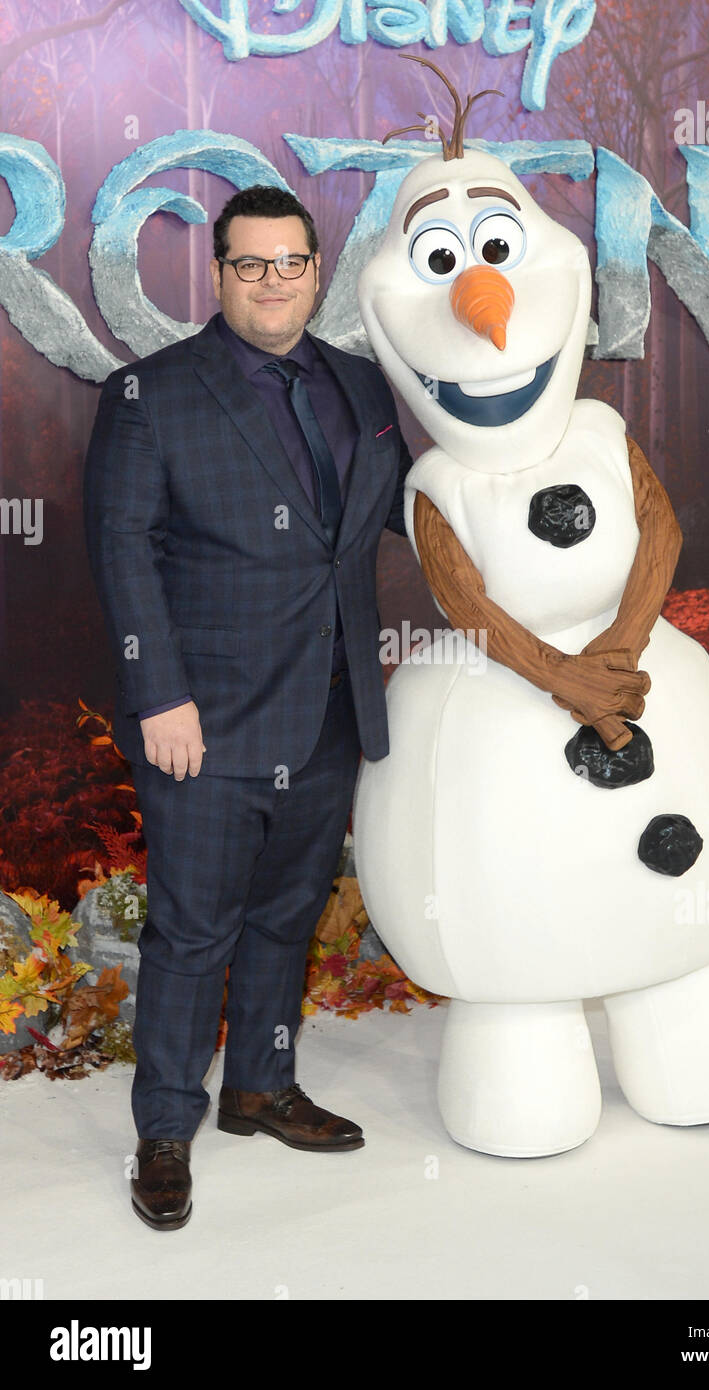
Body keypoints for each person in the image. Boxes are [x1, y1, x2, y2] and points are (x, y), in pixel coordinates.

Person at [83, 184, 413, 1230]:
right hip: (206, 721)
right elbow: (122, 551)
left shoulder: (360, 386)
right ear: (217, 274)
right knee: (189, 931)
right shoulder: (151, 394)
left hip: (327, 708)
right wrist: (159, 697)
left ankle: (260, 1088)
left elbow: (403, 511)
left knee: (284, 915)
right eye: (249, 265)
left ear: (316, 270)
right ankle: (165, 1128)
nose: (273, 282)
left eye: (290, 262)